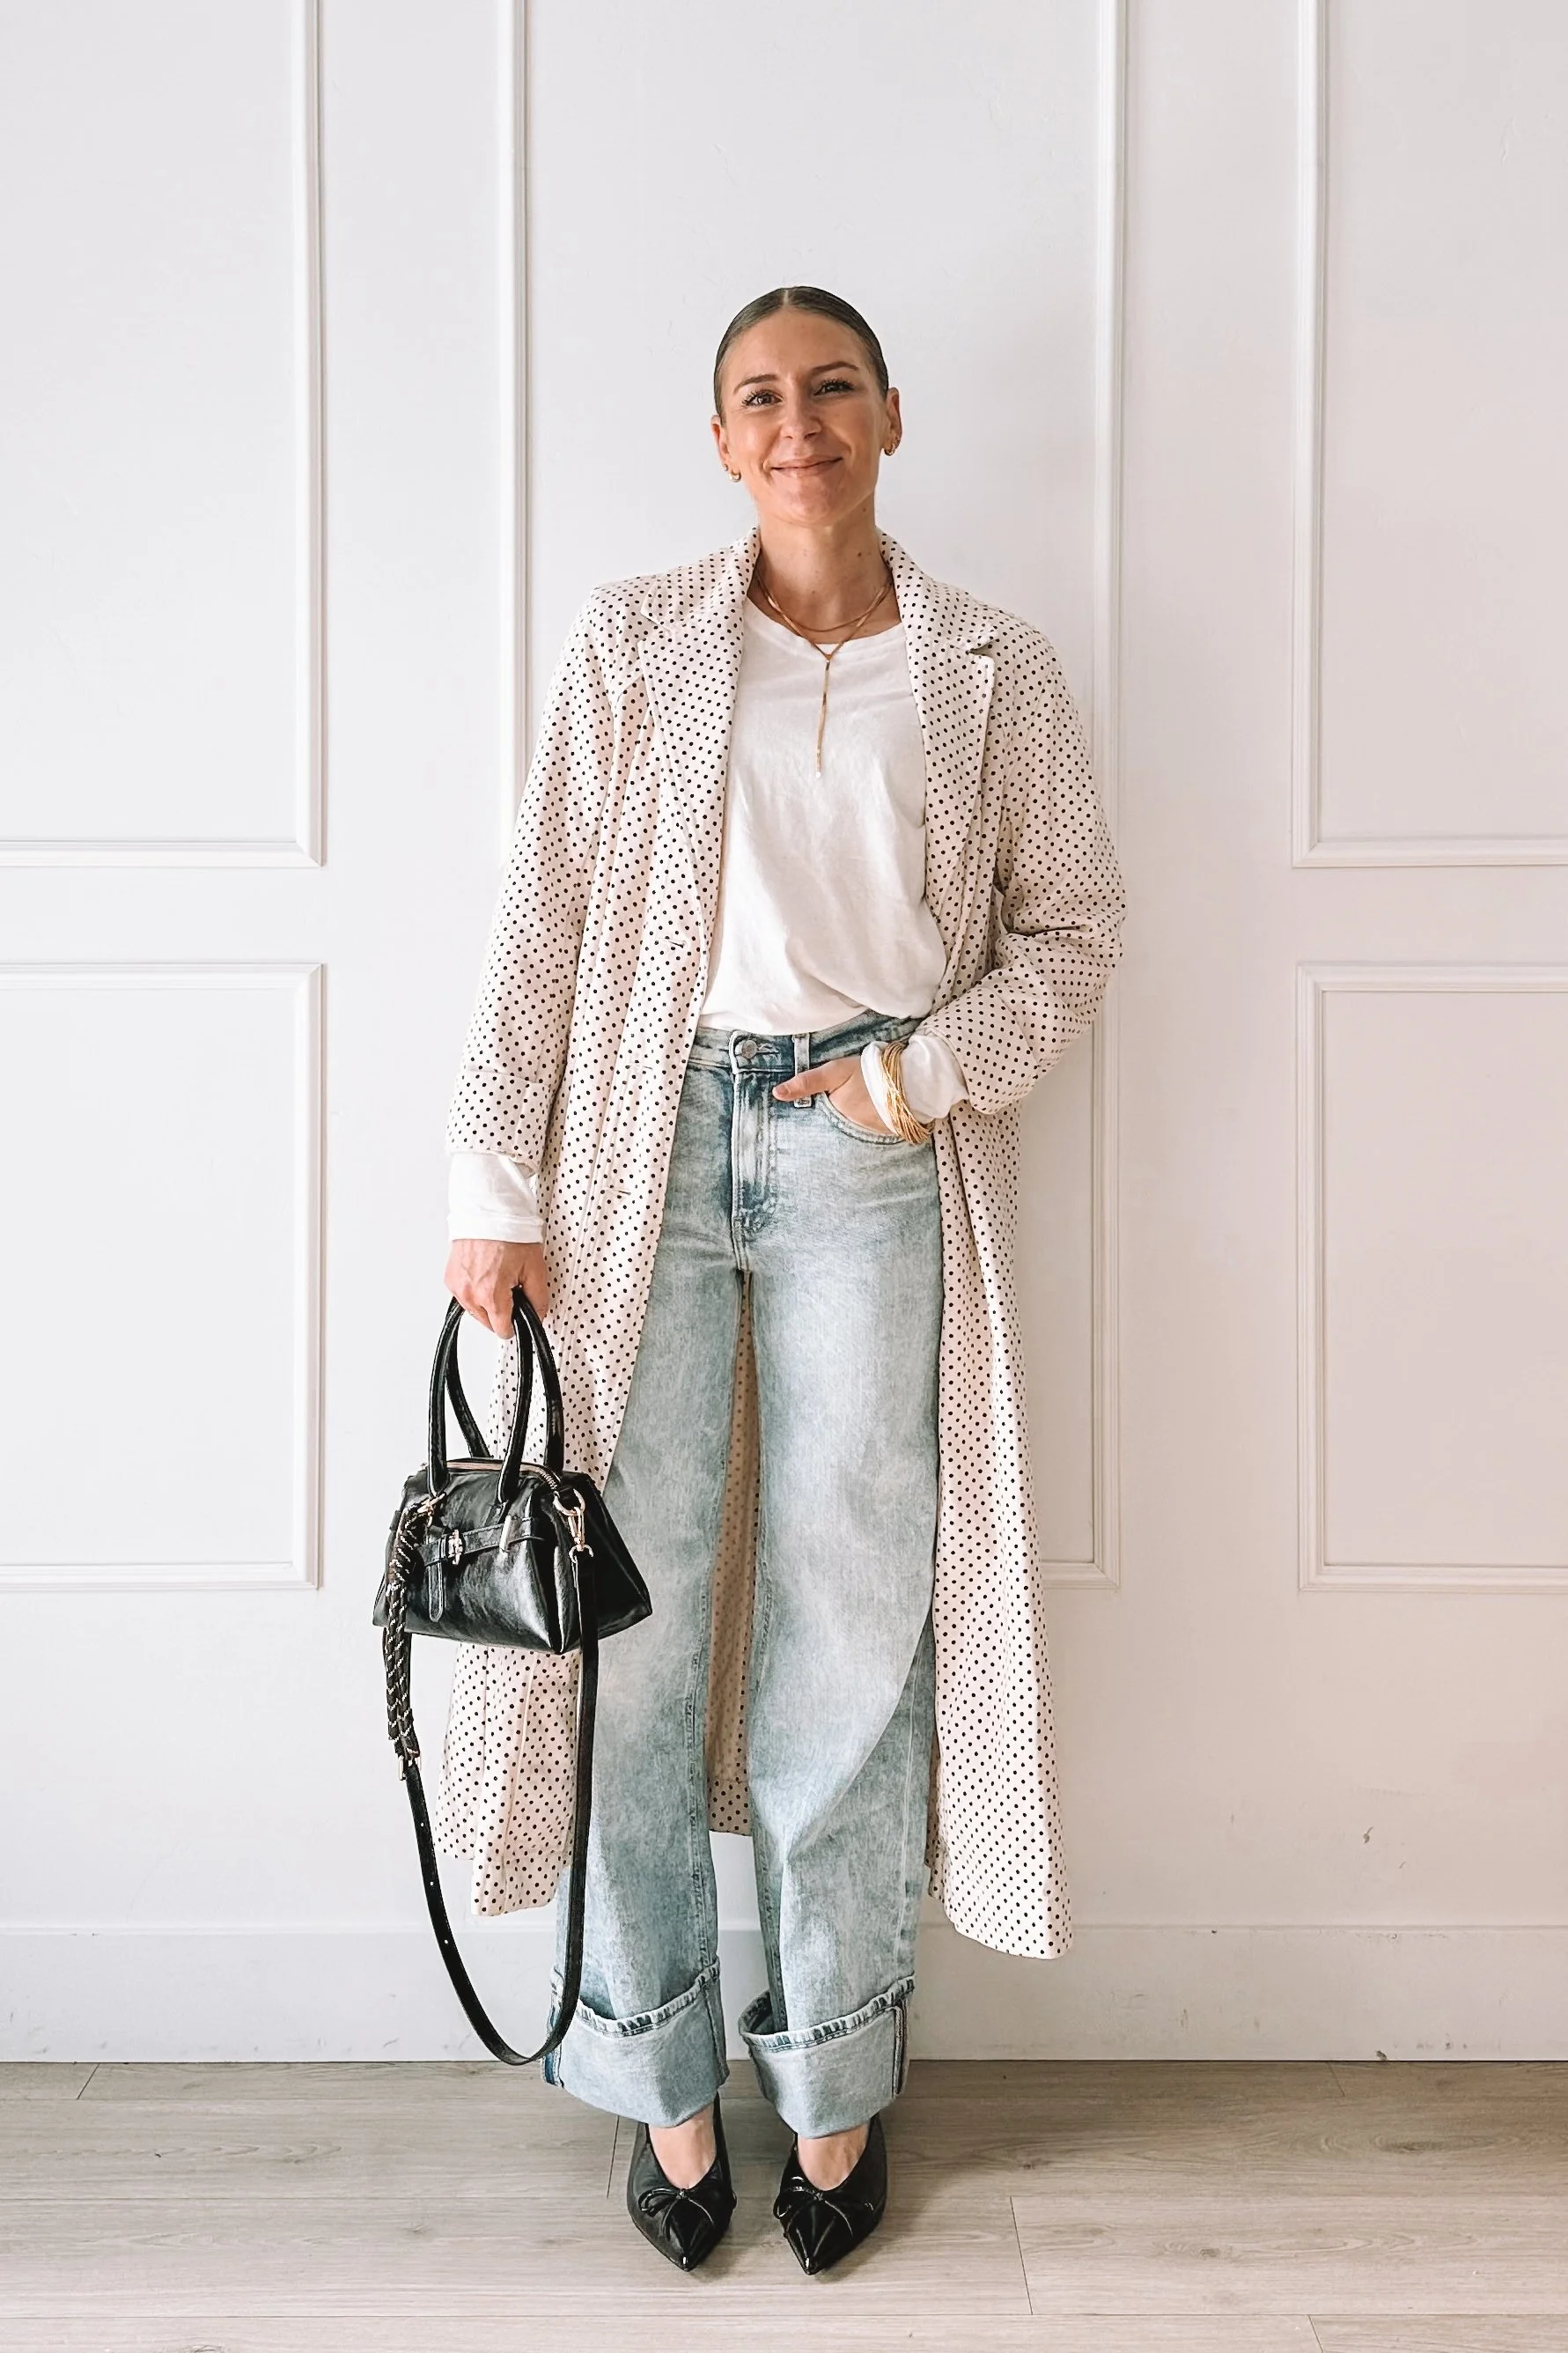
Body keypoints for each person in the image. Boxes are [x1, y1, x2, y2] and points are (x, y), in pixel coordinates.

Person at [438, 284, 1125, 2274]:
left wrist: (919, 1077)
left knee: (847, 1618)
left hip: (863, 1151)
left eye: (830, 385)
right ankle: (657, 2077)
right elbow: (542, 916)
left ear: (889, 415)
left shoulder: (992, 667)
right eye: (759, 394)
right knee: (623, 1630)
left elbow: (1071, 932)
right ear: (719, 439)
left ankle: (827, 2088)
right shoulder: (635, 644)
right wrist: (491, 1186)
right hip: (638, 1151)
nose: (796, 418)